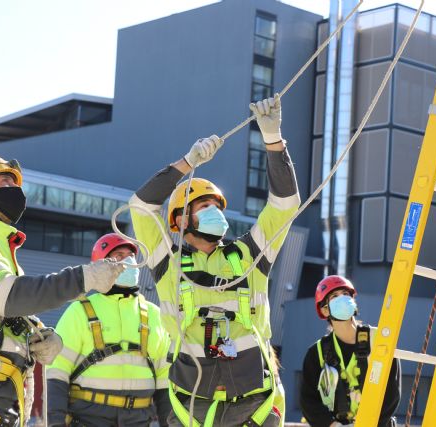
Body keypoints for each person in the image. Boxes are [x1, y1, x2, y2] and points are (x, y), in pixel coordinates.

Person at [129, 95, 300, 427]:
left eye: (217, 207)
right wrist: (187, 164)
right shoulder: (169, 263)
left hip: (256, 406)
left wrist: (273, 139)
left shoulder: (251, 255)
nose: (215, 213)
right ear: (179, 221)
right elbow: (141, 206)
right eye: (203, 207)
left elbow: (285, 204)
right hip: (192, 409)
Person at [0, 154, 126, 427]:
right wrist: (82, 278)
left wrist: (37, 334)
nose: (16, 191)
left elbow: (2, 315)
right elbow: (10, 298)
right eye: (6, 181)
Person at [46, 233, 172, 427]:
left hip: (139, 421)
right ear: (102, 264)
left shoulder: (154, 314)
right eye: (119, 255)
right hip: (89, 419)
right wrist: (55, 422)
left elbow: (165, 377)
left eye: (131, 255)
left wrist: (169, 423)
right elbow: (57, 372)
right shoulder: (79, 311)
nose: (129, 261)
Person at [300, 275, 401, 427]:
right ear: (325, 310)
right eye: (334, 296)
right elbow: (308, 401)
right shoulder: (317, 353)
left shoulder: (379, 341)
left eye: (346, 294)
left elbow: (392, 393)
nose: (342, 299)